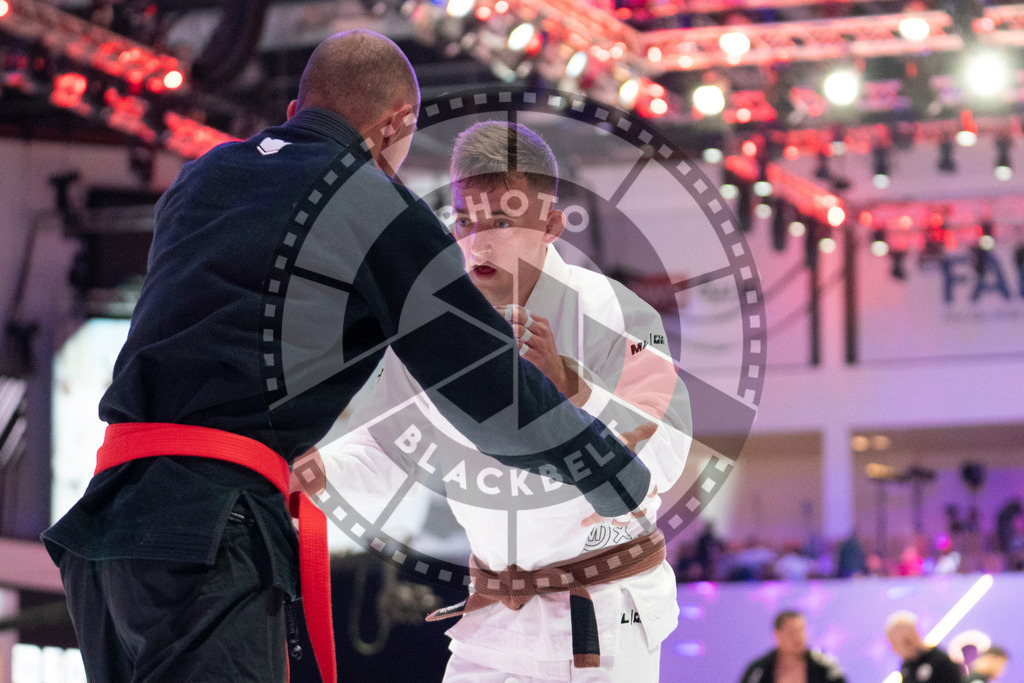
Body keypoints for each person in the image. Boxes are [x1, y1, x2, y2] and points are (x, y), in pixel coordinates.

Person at [40, 32, 651, 683]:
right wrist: (611, 470)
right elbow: (484, 386)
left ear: (299, 107)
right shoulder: (372, 202)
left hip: (107, 525)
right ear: (398, 123)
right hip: (208, 532)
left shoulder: (203, 175)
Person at [299, 120, 693, 681]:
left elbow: (666, 459)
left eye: (502, 223)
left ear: (550, 225)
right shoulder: (438, 323)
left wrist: (577, 390)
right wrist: (314, 473)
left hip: (604, 612)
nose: (478, 244)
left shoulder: (615, 313)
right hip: (494, 618)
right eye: (464, 221)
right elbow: (390, 450)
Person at [738, 610, 846, 683]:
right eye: (792, 632)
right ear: (777, 635)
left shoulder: (824, 665)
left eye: (801, 630)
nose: (798, 637)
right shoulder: (759, 669)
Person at [885, 610, 964, 683]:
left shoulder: (940, 661)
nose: (894, 649)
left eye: (894, 643)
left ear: (910, 639)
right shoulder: (906, 668)